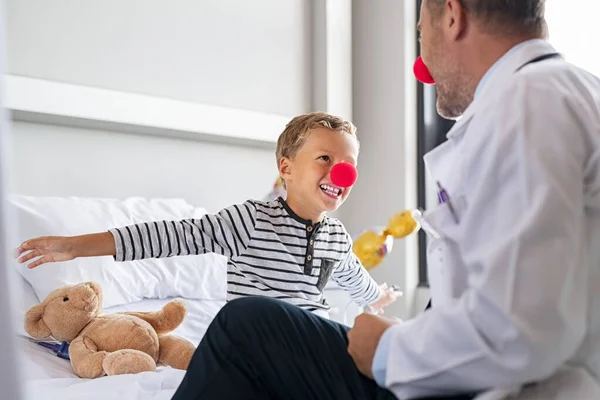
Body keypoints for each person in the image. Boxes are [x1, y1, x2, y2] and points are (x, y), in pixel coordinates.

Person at [167, 0, 600, 399]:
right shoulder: (574, 91)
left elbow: (519, 330)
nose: (423, 62)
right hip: (492, 375)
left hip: (491, 388)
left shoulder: (526, 104)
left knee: (244, 325)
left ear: (452, 15)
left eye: (420, 32)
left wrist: (388, 347)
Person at [14, 112, 398, 318]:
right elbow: (169, 235)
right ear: (287, 168)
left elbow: (353, 277)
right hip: (258, 330)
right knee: (242, 324)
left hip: (310, 333)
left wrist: (376, 298)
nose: (339, 173)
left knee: (364, 340)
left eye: (348, 164)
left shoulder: (336, 237)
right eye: (325, 159)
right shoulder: (250, 220)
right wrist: (76, 246)